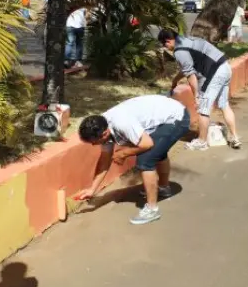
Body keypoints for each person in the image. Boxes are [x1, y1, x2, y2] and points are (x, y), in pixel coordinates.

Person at [76, 95, 190, 225]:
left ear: (104, 134)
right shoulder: (101, 126)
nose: (93, 145)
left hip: (176, 118)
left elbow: (147, 144)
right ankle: (163, 188)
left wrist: (123, 154)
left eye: (94, 142)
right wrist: (92, 189)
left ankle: (152, 210)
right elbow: (105, 160)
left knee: (145, 160)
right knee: (158, 152)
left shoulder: (122, 123)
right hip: (165, 115)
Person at [158, 29, 241, 150]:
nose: (166, 48)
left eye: (164, 44)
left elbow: (191, 76)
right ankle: (235, 137)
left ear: (168, 41)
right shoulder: (188, 40)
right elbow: (187, 68)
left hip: (215, 73)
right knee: (224, 104)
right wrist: (175, 80)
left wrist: (196, 95)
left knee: (203, 108)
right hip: (225, 67)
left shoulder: (179, 51)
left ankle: (202, 141)